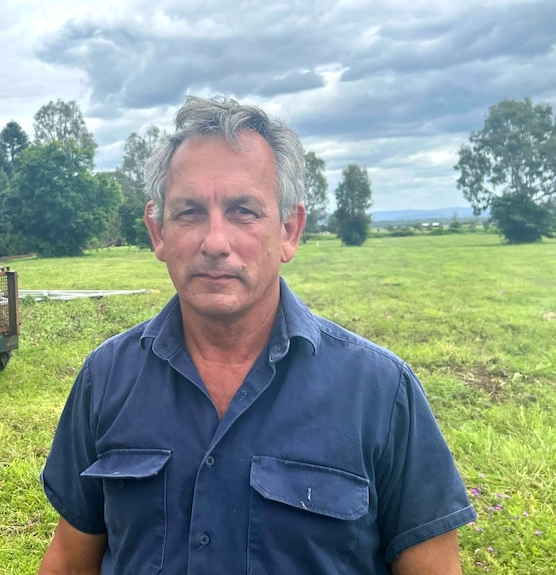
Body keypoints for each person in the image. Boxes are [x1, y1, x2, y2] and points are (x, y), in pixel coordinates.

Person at [38, 96, 476, 574]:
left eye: (243, 210)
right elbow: (69, 558)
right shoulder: (106, 377)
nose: (215, 243)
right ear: (157, 231)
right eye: (188, 212)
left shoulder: (380, 392)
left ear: (289, 230)